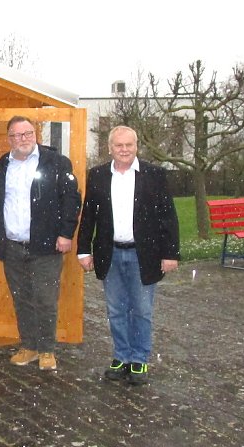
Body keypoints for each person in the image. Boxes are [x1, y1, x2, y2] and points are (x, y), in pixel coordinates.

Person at [77, 125, 180, 385]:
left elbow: (168, 216)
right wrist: (83, 250)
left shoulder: (154, 175)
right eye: (119, 145)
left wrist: (170, 253)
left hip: (143, 254)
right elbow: (88, 215)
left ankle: (139, 360)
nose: (124, 150)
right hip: (109, 253)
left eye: (129, 145)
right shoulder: (98, 175)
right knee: (116, 310)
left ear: (136, 146)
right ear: (110, 148)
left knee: (142, 310)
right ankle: (121, 356)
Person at [0, 115, 81, 371]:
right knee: (21, 298)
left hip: (46, 246)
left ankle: (47, 349)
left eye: (27, 134)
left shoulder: (56, 162)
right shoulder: (0, 166)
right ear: (9, 139)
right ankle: (29, 346)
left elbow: (71, 200)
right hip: (12, 245)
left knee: (45, 298)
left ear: (35, 135)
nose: (22, 139)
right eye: (16, 135)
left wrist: (66, 233)